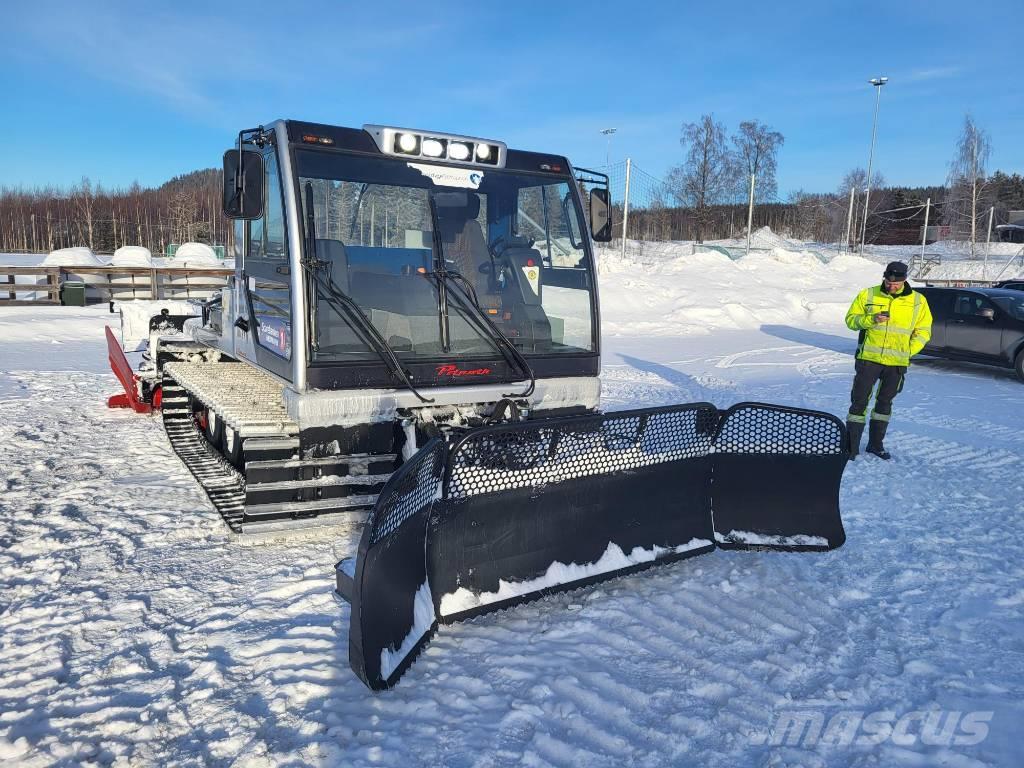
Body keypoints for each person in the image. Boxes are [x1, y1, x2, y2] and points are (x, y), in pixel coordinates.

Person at [844, 261, 932, 460]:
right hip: (869, 359)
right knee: (858, 404)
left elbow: (924, 331)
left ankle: (876, 445)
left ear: (904, 280)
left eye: (897, 284)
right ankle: (851, 447)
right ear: (884, 277)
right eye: (889, 282)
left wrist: (909, 350)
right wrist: (871, 319)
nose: (892, 286)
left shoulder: (918, 301)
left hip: (897, 364)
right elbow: (851, 320)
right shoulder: (868, 294)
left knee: (884, 405)